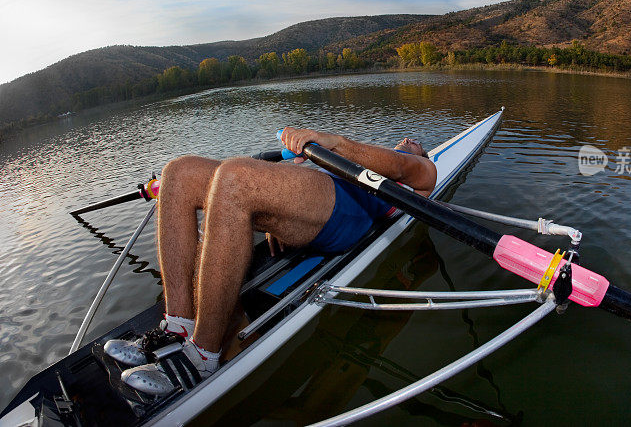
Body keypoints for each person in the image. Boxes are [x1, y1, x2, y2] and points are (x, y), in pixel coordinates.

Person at [103, 128, 437, 396]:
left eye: (413, 142)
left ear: (418, 150)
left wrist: (335, 142)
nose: (408, 140)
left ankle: (203, 354)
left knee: (235, 176)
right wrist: (275, 203)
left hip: (349, 216)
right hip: (323, 196)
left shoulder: (419, 167)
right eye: (406, 139)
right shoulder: (369, 156)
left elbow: (401, 167)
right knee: (179, 172)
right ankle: (179, 321)